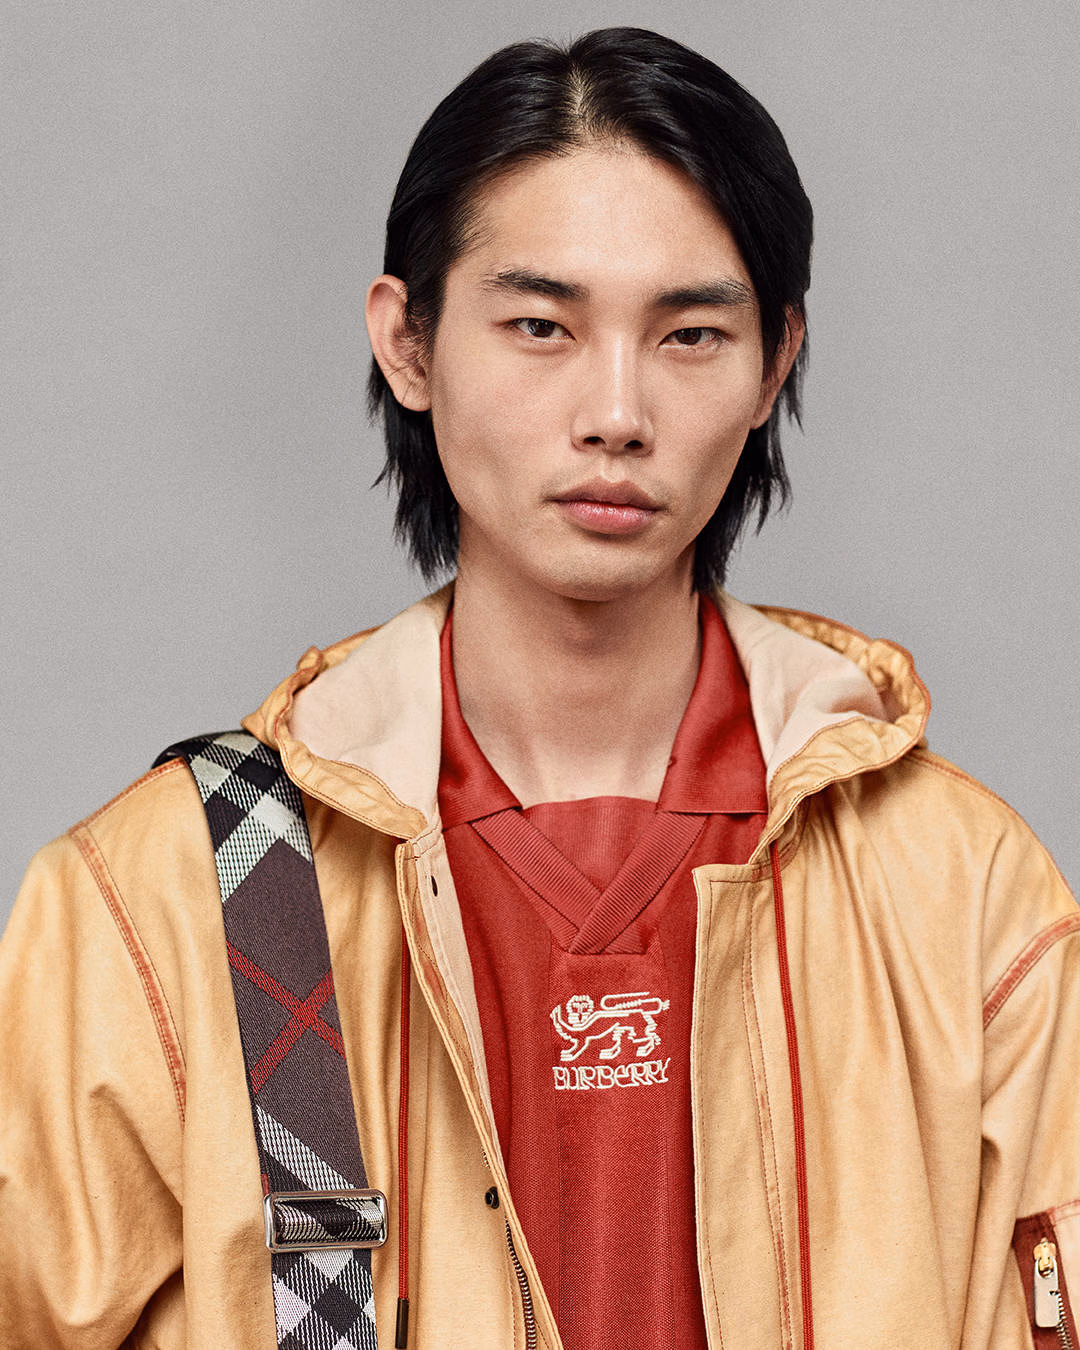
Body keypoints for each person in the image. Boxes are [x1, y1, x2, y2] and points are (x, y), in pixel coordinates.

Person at [1, 25, 1077, 1350]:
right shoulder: (163, 899)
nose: (615, 411)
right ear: (408, 343)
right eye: (540, 326)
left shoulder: (965, 898)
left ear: (775, 362)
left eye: (690, 333)